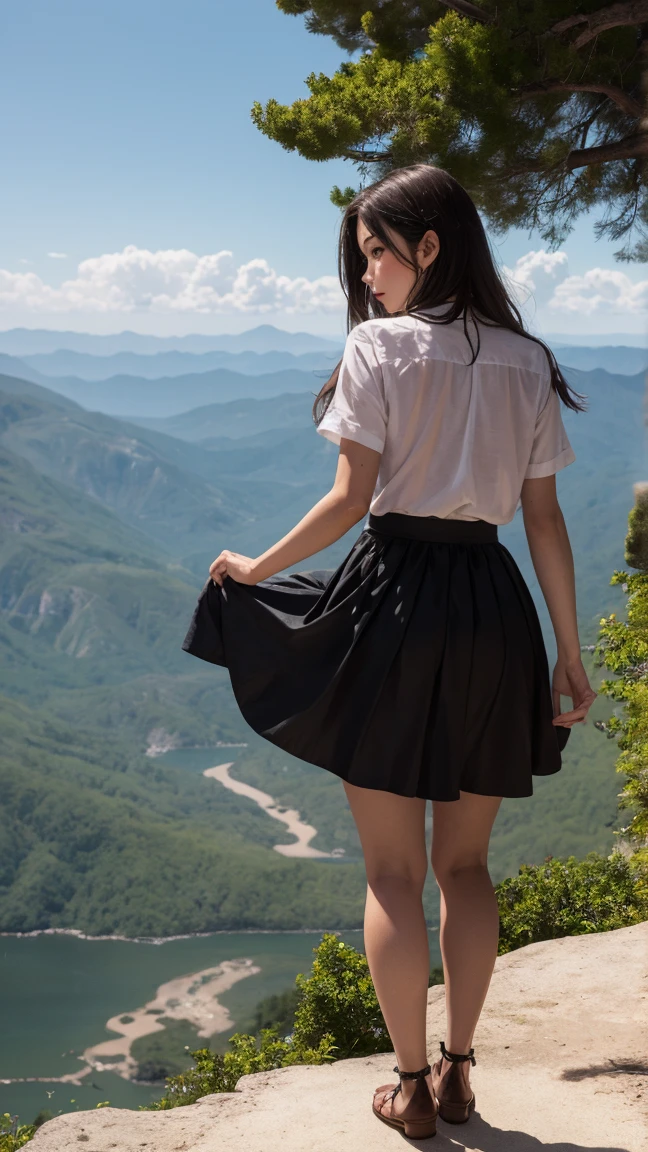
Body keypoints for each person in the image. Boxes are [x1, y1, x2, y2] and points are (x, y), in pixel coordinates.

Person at [182, 163, 597, 1141]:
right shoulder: (528, 360)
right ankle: (460, 1074)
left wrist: (255, 564)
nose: (366, 274)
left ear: (431, 246)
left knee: (390, 873)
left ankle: (409, 1087)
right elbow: (543, 520)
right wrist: (567, 654)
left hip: (396, 602)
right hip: (495, 609)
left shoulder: (378, 351)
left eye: (377, 251)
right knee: (468, 868)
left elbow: (346, 501)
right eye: (362, 256)